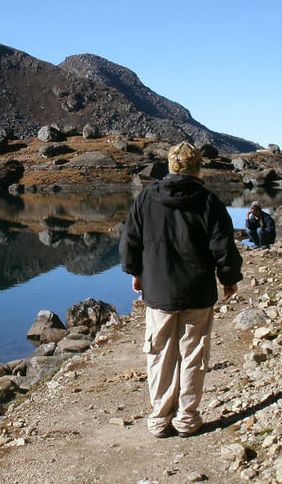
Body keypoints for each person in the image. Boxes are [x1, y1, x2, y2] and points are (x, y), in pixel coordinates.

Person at [119, 141, 243, 438]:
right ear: (198, 168)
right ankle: (187, 420)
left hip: (159, 291)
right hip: (198, 291)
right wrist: (228, 279)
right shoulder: (209, 200)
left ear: (171, 166)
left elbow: (130, 242)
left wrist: (136, 273)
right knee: (193, 355)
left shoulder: (147, 197)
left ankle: (160, 420)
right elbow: (224, 247)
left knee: (159, 354)